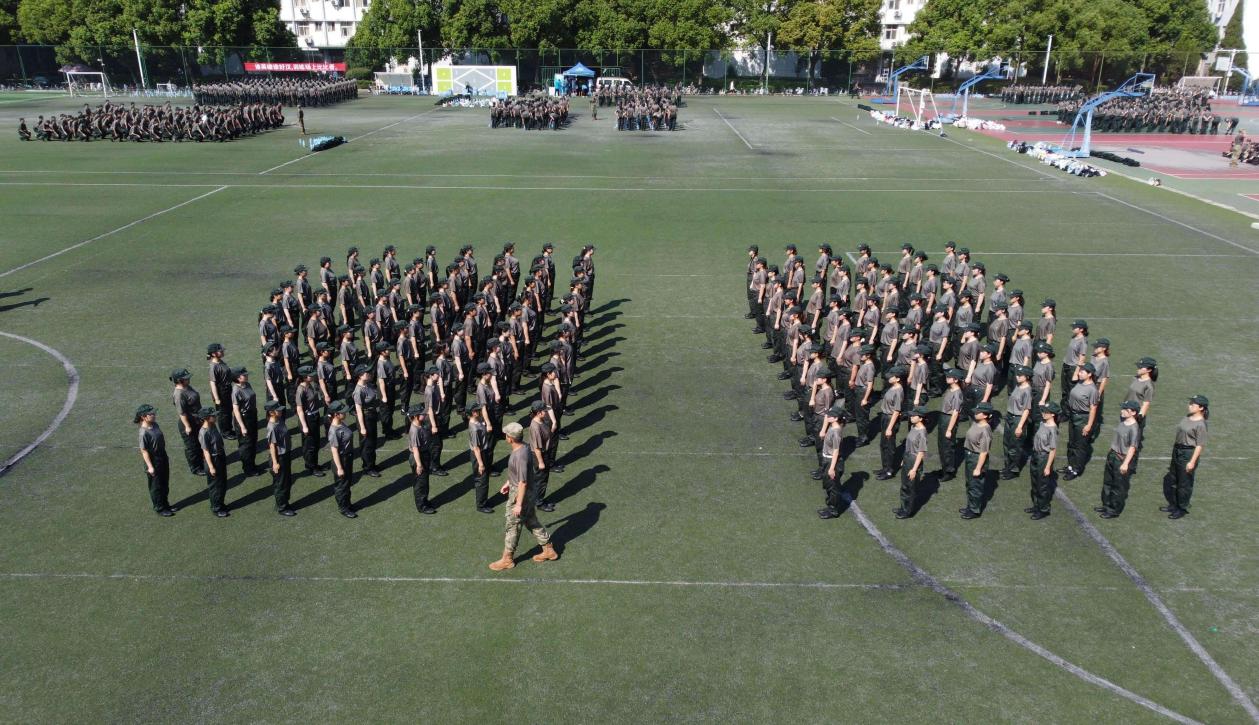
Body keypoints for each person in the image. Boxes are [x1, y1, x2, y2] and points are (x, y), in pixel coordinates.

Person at [488, 422, 558, 571]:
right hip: (528, 492)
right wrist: (509, 482)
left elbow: (522, 482)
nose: (505, 436)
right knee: (531, 520)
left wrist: (518, 504)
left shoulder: (519, 456)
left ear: (510, 438)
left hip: (520, 494)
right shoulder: (525, 447)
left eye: (507, 434)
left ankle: (507, 559)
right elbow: (521, 474)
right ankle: (548, 549)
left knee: (513, 525)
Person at [1162, 395, 1208, 519]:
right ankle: (1174, 504)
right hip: (1177, 450)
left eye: (1193, 404)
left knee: (1184, 483)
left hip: (1188, 453)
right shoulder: (1187, 417)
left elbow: (1199, 445)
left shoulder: (1201, 424)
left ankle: (1182, 508)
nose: (1190, 405)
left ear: (1201, 408)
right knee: (1173, 479)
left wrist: (1192, 462)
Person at [1097, 400, 1142, 519]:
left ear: (1133, 412)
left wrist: (1125, 464)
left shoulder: (1134, 428)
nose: (1122, 411)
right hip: (1113, 455)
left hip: (1121, 458)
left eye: (1125, 409)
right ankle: (1106, 505)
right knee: (1107, 482)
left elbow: (1132, 447)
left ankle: (1113, 510)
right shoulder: (1123, 422)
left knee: (1118, 486)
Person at [1062, 362, 1100, 480]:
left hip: (1083, 419)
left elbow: (1093, 409)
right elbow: (1074, 378)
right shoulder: (1080, 382)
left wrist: (1088, 425)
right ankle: (1070, 466)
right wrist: (1079, 367)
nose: (1079, 373)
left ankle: (1076, 469)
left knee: (1080, 446)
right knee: (1071, 443)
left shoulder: (1092, 390)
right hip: (1073, 416)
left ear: (1089, 374)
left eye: (1082, 372)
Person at [135, 404, 174, 516]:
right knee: (156, 486)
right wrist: (150, 466)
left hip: (162, 456)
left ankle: (165, 504)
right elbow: (144, 451)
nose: (154, 415)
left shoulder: (155, 424)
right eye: (151, 414)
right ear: (143, 417)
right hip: (153, 460)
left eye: (153, 413)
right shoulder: (143, 432)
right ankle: (160, 508)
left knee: (164, 483)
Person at [816, 406, 853, 519]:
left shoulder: (836, 432)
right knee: (828, 485)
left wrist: (832, 468)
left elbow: (836, 451)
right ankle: (830, 506)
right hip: (827, 460)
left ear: (836, 418)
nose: (827, 416)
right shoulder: (833, 427)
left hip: (832, 462)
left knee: (833, 488)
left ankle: (833, 510)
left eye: (830, 415)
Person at [960, 402, 995, 519]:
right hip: (970, 455)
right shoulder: (976, 423)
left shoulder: (985, 431)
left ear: (985, 415)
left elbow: (984, 452)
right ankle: (970, 506)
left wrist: (978, 468)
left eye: (979, 412)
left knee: (975, 485)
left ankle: (974, 510)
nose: (976, 413)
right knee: (970, 483)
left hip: (976, 458)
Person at [1026, 402, 1061, 520]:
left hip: (1043, 458)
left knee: (1042, 485)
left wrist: (1047, 466)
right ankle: (1036, 505)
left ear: (1053, 414)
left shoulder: (1053, 429)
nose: (1043, 413)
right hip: (1036, 455)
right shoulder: (1043, 423)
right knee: (1035, 482)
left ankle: (1043, 509)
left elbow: (1053, 449)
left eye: (1046, 411)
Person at [999, 365, 1033, 480]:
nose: (1017, 376)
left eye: (1020, 375)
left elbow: (1026, 410)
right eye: (1017, 374)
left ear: (1027, 377)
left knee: (1015, 446)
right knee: (1006, 443)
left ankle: (1013, 470)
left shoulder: (1027, 391)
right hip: (1010, 416)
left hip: (1018, 419)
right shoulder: (1018, 386)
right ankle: (1007, 466)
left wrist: (1020, 426)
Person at [169, 368, 205, 476]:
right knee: (192, 446)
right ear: (179, 380)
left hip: (196, 420)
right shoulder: (179, 394)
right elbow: (182, 412)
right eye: (185, 378)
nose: (188, 379)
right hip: (189, 422)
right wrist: (187, 426)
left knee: (199, 442)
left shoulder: (187, 387)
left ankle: (201, 461)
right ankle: (196, 468)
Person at [197, 406, 230, 517]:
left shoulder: (213, 425)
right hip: (213, 460)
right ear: (206, 418)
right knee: (215, 486)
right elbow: (206, 451)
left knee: (222, 483)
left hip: (220, 457)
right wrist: (211, 467)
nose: (215, 417)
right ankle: (216, 508)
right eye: (213, 415)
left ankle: (220, 504)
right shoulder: (203, 433)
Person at [326, 400, 357, 518]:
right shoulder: (334, 431)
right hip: (341, 460)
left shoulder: (341, 423)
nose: (345, 413)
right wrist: (339, 468)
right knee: (342, 485)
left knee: (347, 483)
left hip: (347, 457)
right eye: (342, 412)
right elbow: (334, 450)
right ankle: (343, 508)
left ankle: (347, 504)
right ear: (336, 414)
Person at [896, 407, 928, 519]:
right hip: (907, 457)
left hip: (914, 460)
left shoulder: (922, 433)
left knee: (910, 487)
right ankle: (903, 507)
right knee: (904, 485)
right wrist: (903, 459)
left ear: (920, 418)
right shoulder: (913, 427)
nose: (911, 417)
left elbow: (921, 453)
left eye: (914, 416)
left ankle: (907, 511)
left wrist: (914, 469)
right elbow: (908, 445)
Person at [265, 401, 296, 516]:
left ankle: (284, 503)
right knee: (280, 483)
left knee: (286, 481)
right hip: (279, 457)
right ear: (271, 412)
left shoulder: (279, 420)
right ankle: (282, 507)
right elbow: (272, 446)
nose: (281, 411)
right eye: (278, 409)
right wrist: (275, 462)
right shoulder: (272, 427)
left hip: (285, 454)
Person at [294, 365, 325, 477]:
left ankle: (314, 464)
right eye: (310, 375)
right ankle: (311, 467)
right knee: (310, 445)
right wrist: (304, 426)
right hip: (308, 419)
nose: (312, 376)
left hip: (315, 416)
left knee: (316, 443)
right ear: (304, 377)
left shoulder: (310, 385)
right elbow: (299, 409)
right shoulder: (300, 390)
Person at [351, 364, 381, 477]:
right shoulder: (358, 391)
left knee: (373, 442)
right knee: (367, 444)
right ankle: (367, 468)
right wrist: (362, 427)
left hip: (372, 415)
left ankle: (372, 464)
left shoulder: (367, 385)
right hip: (365, 418)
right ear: (360, 375)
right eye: (366, 372)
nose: (368, 373)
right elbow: (358, 410)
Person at [875, 366, 905, 478]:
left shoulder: (898, 391)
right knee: (883, 444)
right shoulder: (893, 387)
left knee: (889, 446)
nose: (889, 378)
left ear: (898, 378)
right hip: (885, 417)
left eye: (892, 376)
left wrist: (889, 428)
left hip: (890, 419)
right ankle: (885, 467)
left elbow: (896, 411)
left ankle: (889, 471)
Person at [406, 405, 437, 514]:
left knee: (424, 481)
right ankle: (421, 506)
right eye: (421, 413)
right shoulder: (414, 430)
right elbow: (415, 450)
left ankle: (424, 501)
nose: (424, 414)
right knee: (420, 483)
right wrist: (419, 465)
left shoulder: (421, 424)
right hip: (418, 457)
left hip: (424, 454)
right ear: (415, 416)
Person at [231, 366, 261, 476]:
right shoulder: (236, 391)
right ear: (238, 378)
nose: (246, 375)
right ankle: (248, 469)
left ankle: (252, 464)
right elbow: (236, 410)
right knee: (246, 445)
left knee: (253, 442)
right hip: (243, 419)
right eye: (244, 375)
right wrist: (242, 426)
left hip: (252, 416)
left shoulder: (247, 384)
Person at [937, 369, 965, 480]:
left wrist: (949, 429)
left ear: (956, 380)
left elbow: (955, 413)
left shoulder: (957, 394)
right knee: (942, 445)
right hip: (944, 417)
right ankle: (944, 468)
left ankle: (949, 472)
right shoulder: (950, 389)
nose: (947, 378)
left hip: (949, 420)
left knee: (947, 447)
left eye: (949, 377)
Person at [466, 402, 493, 513]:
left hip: (483, 452)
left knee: (484, 479)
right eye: (477, 410)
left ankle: (483, 500)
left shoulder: (479, 420)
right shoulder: (474, 428)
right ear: (473, 413)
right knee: (481, 480)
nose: (479, 411)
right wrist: (480, 464)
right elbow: (476, 448)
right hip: (479, 455)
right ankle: (481, 505)